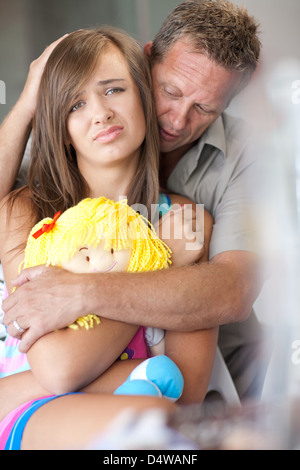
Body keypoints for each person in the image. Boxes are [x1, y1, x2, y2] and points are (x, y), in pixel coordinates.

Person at [0, 0, 268, 400]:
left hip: (223, 369)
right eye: (171, 91)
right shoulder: (84, 127)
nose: (177, 121)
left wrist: (85, 291)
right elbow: (59, 368)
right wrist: (27, 105)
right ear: (146, 64)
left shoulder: (220, 183)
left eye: (204, 109)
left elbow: (230, 293)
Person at [0, 27, 216, 450]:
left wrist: (17, 386)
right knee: (149, 423)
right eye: (76, 104)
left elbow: (185, 388)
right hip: (34, 417)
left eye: (113, 89)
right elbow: (60, 368)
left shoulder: (187, 220)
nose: (99, 113)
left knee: (161, 425)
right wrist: (160, 258)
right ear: (61, 129)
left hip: (141, 412)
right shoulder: (27, 212)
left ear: (144, 98)